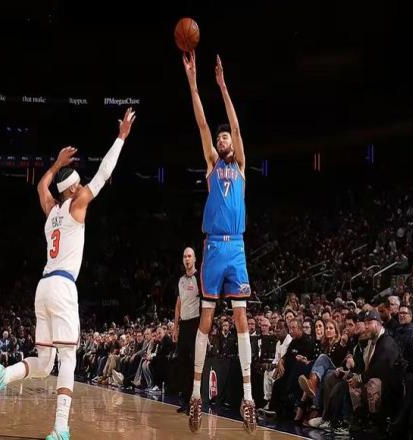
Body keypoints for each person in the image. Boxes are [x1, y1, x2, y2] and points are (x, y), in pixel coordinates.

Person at [0, 108, 136, 440]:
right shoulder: (77, 204)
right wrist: (121, 138)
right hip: (63, 286)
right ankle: (61, 428)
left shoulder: (51, 212)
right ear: (72, 189)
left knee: (45, 361)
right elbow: (104, 173)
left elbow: (41, 187)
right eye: (78, 184)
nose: (82, 187)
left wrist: (54, 164)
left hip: (43, 286)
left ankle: (3, 376)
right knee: (67, 358)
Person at [182, 50, 256, 433]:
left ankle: (248, 397)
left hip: (236, 247)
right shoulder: (212, 164)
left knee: (242, 319)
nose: (223, 138)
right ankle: (196, 394)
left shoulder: (240, 165)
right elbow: (201, 123)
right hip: (213, 247)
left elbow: (238, 129)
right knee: (206, 321)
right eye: (220, 136)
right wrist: (194, 83)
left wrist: (223, 86)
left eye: (225, 136)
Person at [173, 247, 200, 414]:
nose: (187, 259)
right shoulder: (181, 280)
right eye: (185, 256)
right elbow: (178, 304)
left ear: (194, 259)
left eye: (189, 256)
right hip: (183, 325)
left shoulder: (199, 278)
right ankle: (184, 401)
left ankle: (194, 401)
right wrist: (175, 327)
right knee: (182, 364)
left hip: (195, 324)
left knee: (193, 364)